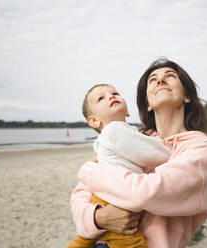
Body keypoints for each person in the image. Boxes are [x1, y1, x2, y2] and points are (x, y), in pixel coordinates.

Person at [70, 57, 207, 248]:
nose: (160, 80)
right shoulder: (131, 138)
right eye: (153, 79)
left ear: (187, 96)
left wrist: (88, 171)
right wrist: (97, 217)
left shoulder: (200, 147)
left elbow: (149, 192)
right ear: (148, 102)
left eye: (170, 76)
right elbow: (80, 195)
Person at [67, 83, 171, 248]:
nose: (111, 96)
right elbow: (157, 155)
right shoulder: (114, 131)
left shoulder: (116, 136)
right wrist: (167, 150)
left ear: (127, 111)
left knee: (84, 240)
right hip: (115, 201)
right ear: (93, 121)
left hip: (103, 198)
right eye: (101, 98)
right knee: (132, 243)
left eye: (115, 93)